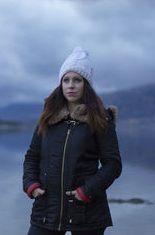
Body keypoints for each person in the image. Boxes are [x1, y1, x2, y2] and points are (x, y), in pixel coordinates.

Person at [23, 47, 122, 235]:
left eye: (77, 80)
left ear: (86, 85)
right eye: (66, 80)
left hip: (86, 211)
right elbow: (32, 156)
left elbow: (113, 164)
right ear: (60, 84)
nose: (71, 85)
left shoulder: (100, 118)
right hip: (46, 210)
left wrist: (86, 191)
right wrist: (31, 185)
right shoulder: (48, 117)